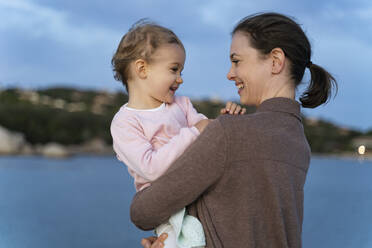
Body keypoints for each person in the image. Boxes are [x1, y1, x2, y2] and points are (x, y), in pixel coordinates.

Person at [131, 12, 337, 248]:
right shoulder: (299, 143)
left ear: (275, 60)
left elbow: (143, 212)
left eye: (237, 61)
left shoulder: (230, 133)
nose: (230, 73)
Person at [110, 20, 246, 248]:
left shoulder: (181, 105)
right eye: (174, 69)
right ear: (142, 69)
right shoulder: (125, 123)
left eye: (181, 71)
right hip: (167, 206)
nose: (180, 78)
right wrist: (193, 132)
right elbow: (151, 168)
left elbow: (208, 132)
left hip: (199, 190)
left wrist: (227, 119)